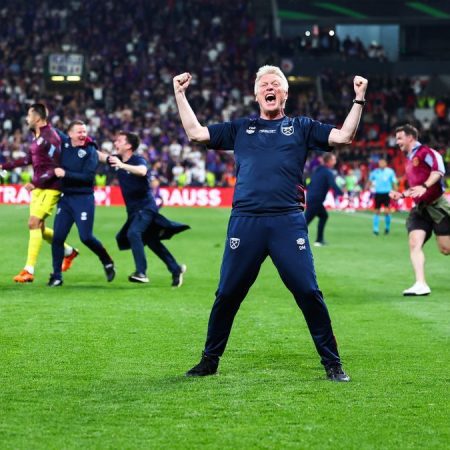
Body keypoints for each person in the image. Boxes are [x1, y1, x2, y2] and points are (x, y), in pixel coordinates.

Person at [173, 65, 368, 382]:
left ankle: (332, 363)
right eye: (264, 83)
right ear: (255, 94)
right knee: (227, 294)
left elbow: (345, 136)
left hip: (286, 222)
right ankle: (209, 360)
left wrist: (358, 99)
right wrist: (179, 94)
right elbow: (196, 133)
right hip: (245, 222)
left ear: (285, 93)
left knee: (308, 291)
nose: (270, 87)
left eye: (276, 83)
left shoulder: (302, 127)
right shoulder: (240, 128)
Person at [98, 131, 189, 286]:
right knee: (152, 241)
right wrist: (85, 144)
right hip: (134, 211)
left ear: (128, 146)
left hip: (146, 207)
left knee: (134, 233)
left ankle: (141, 272)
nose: (115, 143)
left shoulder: (137, 159)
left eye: (119, 141)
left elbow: (142, 171)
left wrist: (122, 165)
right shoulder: (117, 159)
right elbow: (101, 156)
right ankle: (176, 269)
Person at [0, 103, 78, 283]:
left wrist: (35, 182)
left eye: (29, 115)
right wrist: (5, 166)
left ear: (37, 117)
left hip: (51, 187)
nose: (27, 119)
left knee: (33, 222)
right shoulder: (37, 136)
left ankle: (29, 270)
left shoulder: (50, 137)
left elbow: (56, 167)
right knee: (39, 228)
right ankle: (69, 251)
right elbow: (29, 159)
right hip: (39, 187)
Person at [48, 121, 116, 287]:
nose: (83, 134)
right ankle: (57, 276)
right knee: (57, 238)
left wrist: (65, 173)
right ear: (70, 134)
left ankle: (106, 260)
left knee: (86, 237)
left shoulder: (90, 150)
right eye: (79, 132)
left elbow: (87, 178)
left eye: (84, 131)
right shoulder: (63, 142)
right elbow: (48, 128)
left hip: (83, 198)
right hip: (66, 199)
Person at [389, 124, 450, 296]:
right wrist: (401, 195)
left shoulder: (427, 153)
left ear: (410, 137)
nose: (397, 141)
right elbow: (416, 188)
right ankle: (421, 284)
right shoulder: (409, 158)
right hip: (420, 209)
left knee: (446, 249)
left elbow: (439, 171)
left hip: (437, 205)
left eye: (400, 138)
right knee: (414, 242)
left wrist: (425, 186)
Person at [305, 153, 343, 246]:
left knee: (323, 216)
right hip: (316, 200)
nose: (335, 162)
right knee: (304, 223)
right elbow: (332, 184)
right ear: (329, 161)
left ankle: (319, 239)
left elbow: (309, 183)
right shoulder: (328, 172)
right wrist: (341, 193)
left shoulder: (317, 170)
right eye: (334, 160)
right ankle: (291, 239)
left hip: (311, 197)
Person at [368, 159, 397, 235]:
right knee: (376, 211)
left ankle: (387, 228)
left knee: (387, 211)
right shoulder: (375, 172)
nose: (381, 164)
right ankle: (375, 229)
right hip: (378, 193)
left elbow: (394, 182)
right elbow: (370, 181)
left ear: (386, 163)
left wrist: (396, 192)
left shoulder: (390, 172)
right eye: (380, 163)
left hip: (387, 193)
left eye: (383, 163)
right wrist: (368, 187)